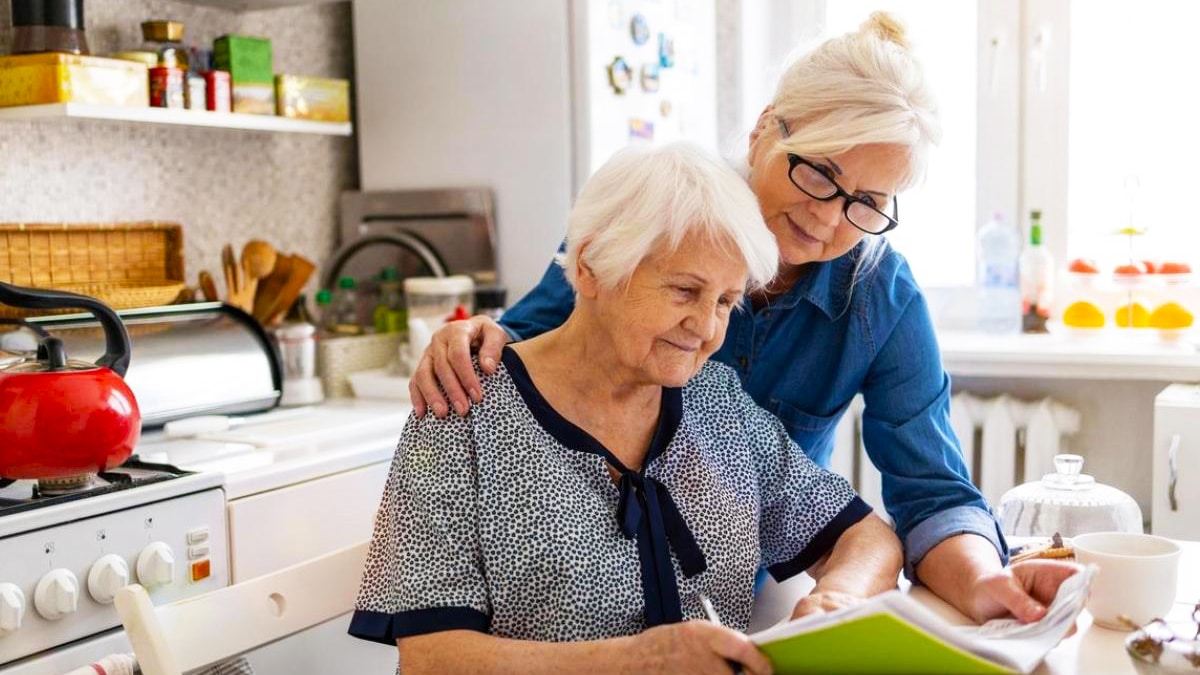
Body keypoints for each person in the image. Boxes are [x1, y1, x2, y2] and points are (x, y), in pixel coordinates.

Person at [409, 12, 1080, 626]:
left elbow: (932, 493)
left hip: (737, 598)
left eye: (866, 202)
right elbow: (525, 351)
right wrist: (471, 338)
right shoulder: (653, 217)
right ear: (766, 129)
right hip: (572, 601)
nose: (826, 218)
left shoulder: (882, 297)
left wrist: (988, 580)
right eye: (820, 172)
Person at [350, 142, 902, 674]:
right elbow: (433, 661)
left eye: (727, 302)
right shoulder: (464, 411)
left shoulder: (717, 401)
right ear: (590, 265)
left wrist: (835, 602)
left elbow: (866, 537)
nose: (707, 328)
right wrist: (637, 665)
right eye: (685, 291)